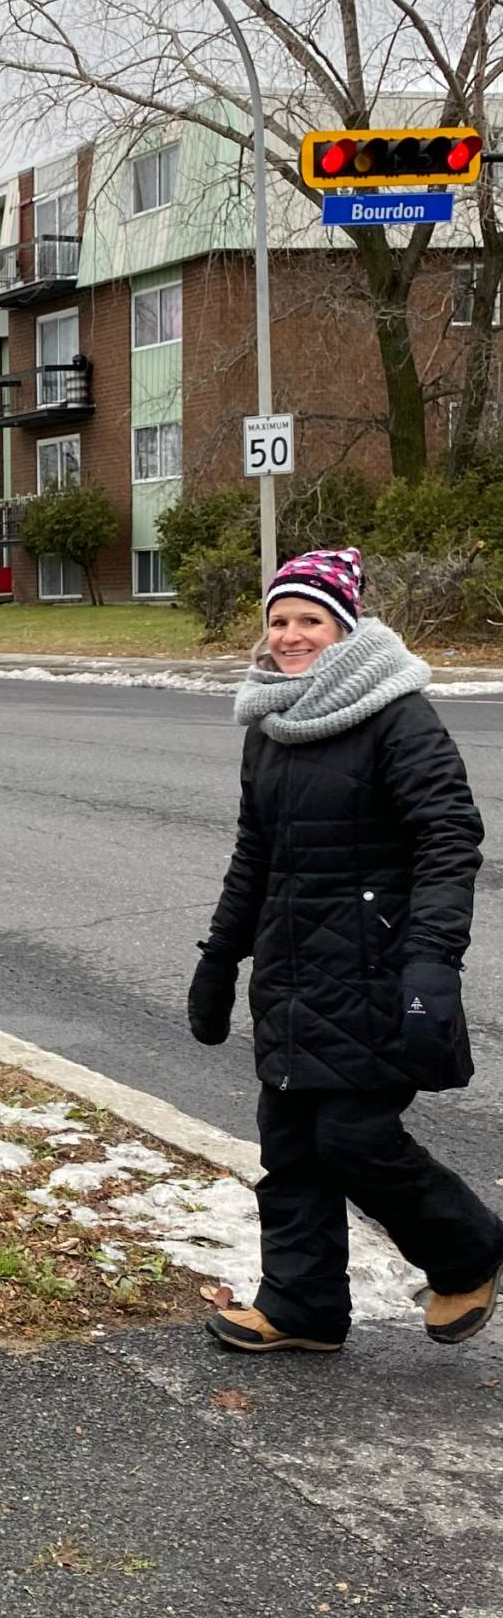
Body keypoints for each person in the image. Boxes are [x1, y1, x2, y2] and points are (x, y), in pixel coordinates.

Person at [189, 545, 503, 1352]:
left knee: (353, 1137)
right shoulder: (270, 725)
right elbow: (255, 857)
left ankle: (469, 1253)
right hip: (292, 971)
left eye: (311, 621)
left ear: (345, 629)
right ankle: (302, 1308)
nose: (291, 635)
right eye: (280, 620)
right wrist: (220, 957)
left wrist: (432, 960)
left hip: (378, 970)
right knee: (291, 1145)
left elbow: (449, 837)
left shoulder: (397, 713)